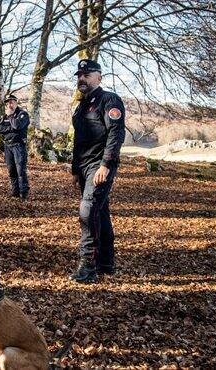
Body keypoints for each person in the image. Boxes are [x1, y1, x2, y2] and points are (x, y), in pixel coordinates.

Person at [69, 59, 126, 284]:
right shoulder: (81, 106)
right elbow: (78, 142)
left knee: (88, 211)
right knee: (100, 212)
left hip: (99, 166)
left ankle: (88, 267)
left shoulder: (109, 100)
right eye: (79, 75)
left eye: (87, 74)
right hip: (84, 167)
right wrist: (75, 169)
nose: (81, 78)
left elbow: (116, 134)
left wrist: (106, 164)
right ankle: (106, 263)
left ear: (98, 77)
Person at [0, 94, 30, 200]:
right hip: (7, 146)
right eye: (8, 102)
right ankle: (15, 192)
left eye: (11, 102)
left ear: (16, 102)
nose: (9, 104)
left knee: (20, 170)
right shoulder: (4, 116)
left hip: (18, 146)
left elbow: (17, 126)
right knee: (11, 170)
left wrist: (11, 117)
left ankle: (23, 193)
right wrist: (10, 128)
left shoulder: (23, 114)